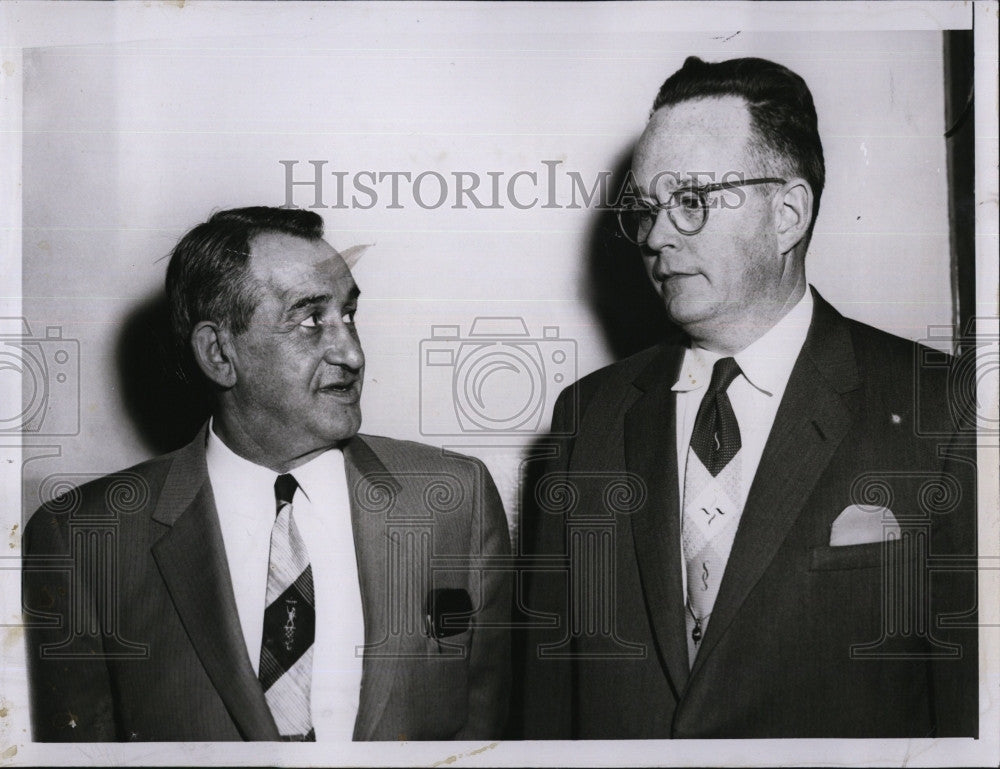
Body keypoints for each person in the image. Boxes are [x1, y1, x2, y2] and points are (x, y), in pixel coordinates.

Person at [519, 56, 977, 738]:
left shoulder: (944, 410)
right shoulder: (587, 417)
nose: (656, 235)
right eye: (645, 209)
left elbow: (973, 712)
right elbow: (547, 707)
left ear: (788, 212)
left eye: (691, 201)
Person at [23, 206, 511, 741]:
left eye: (348, 315)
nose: (351, 352)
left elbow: (485, 729)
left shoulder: (452, 500)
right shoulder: (85, 539)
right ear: (218, 353)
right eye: (309, 320)